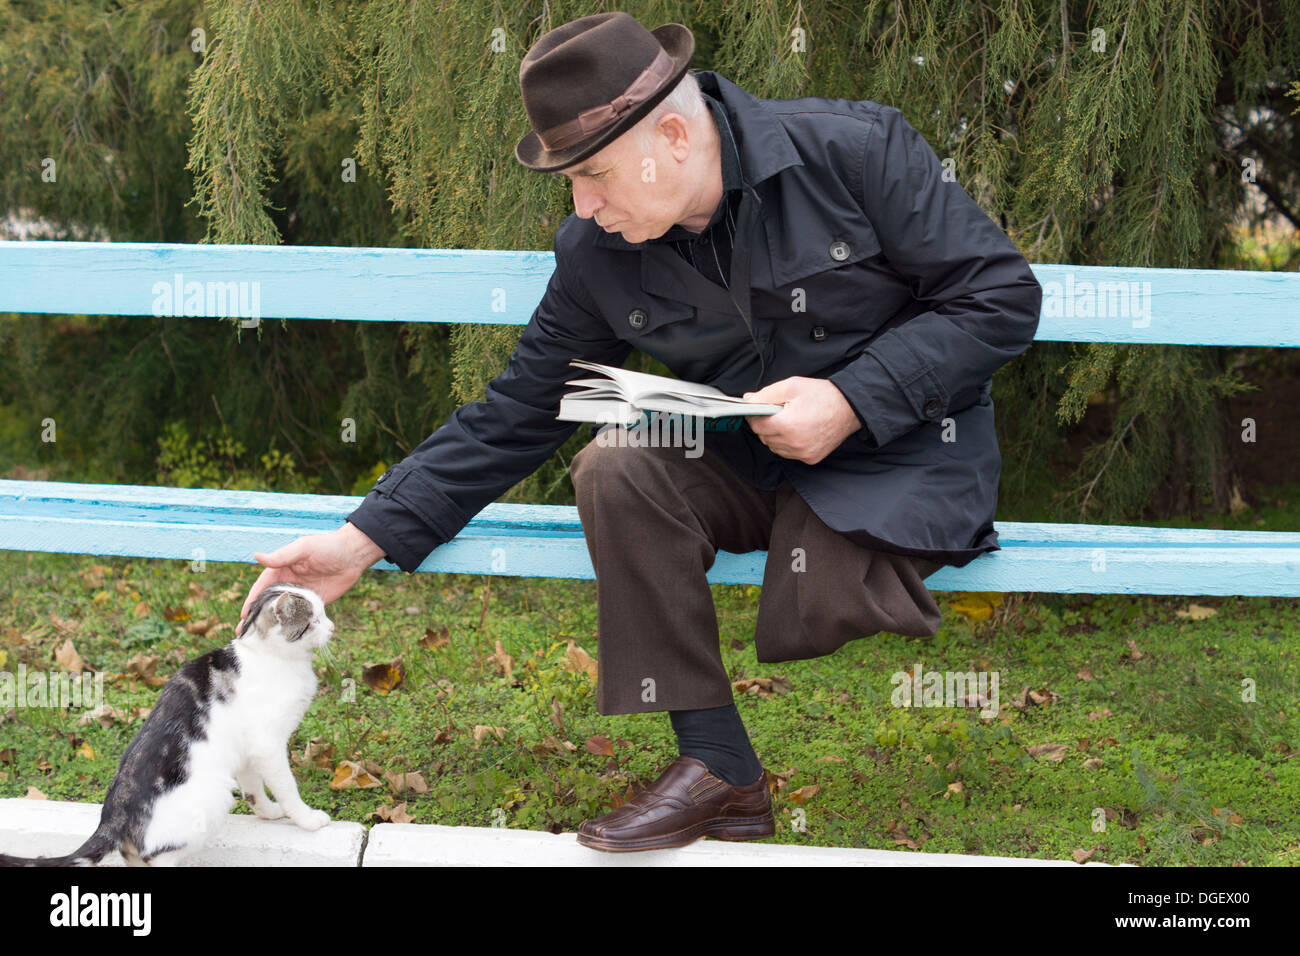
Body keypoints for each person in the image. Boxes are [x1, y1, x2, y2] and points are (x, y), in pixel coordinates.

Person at [240, 11, 1042, 852]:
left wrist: (849, 399)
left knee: (834, 555)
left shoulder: (852, 151)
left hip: (899, 455)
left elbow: (998, 298)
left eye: (594, 174)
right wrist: (358, 542)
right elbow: (519, 409)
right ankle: (720, 769)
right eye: (571, 183)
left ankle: (826, 586)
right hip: (748, 462)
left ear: (671, 134)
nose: (583, 204)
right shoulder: (598, 251)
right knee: (614, 464)